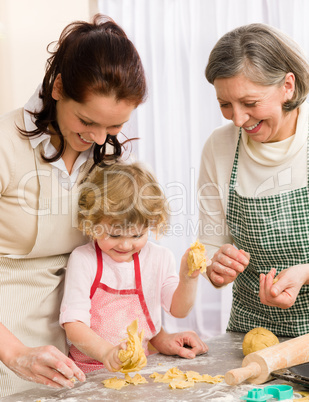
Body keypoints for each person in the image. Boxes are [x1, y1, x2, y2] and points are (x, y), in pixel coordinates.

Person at [0, 14, 206, 398]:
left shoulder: (103, 165)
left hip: (77, 352)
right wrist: (14, 354)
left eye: (112, 129)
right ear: (58, 87)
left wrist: (154, 336)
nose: (97, 138)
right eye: (86, 121)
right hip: (8, 342)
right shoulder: (4, 146)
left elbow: (114, 266)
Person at [198, 23, 309, 338]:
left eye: (250, 103)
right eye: (225, 104)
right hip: (250, 332)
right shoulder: (219, 148)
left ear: (288, 86)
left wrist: (306, 273)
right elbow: (209, 243)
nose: (238, 119)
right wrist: (214, 267)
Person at [60, 161, 206, 373]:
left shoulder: (159, 258)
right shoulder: (84, 260)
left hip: (140, 368)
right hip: (89, 371)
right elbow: (73, 326)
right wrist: (107, 353)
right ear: (91, 223)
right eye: (114, 235)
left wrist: (188, 279)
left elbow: (179, 310)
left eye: (137, 235)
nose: (126, 245)